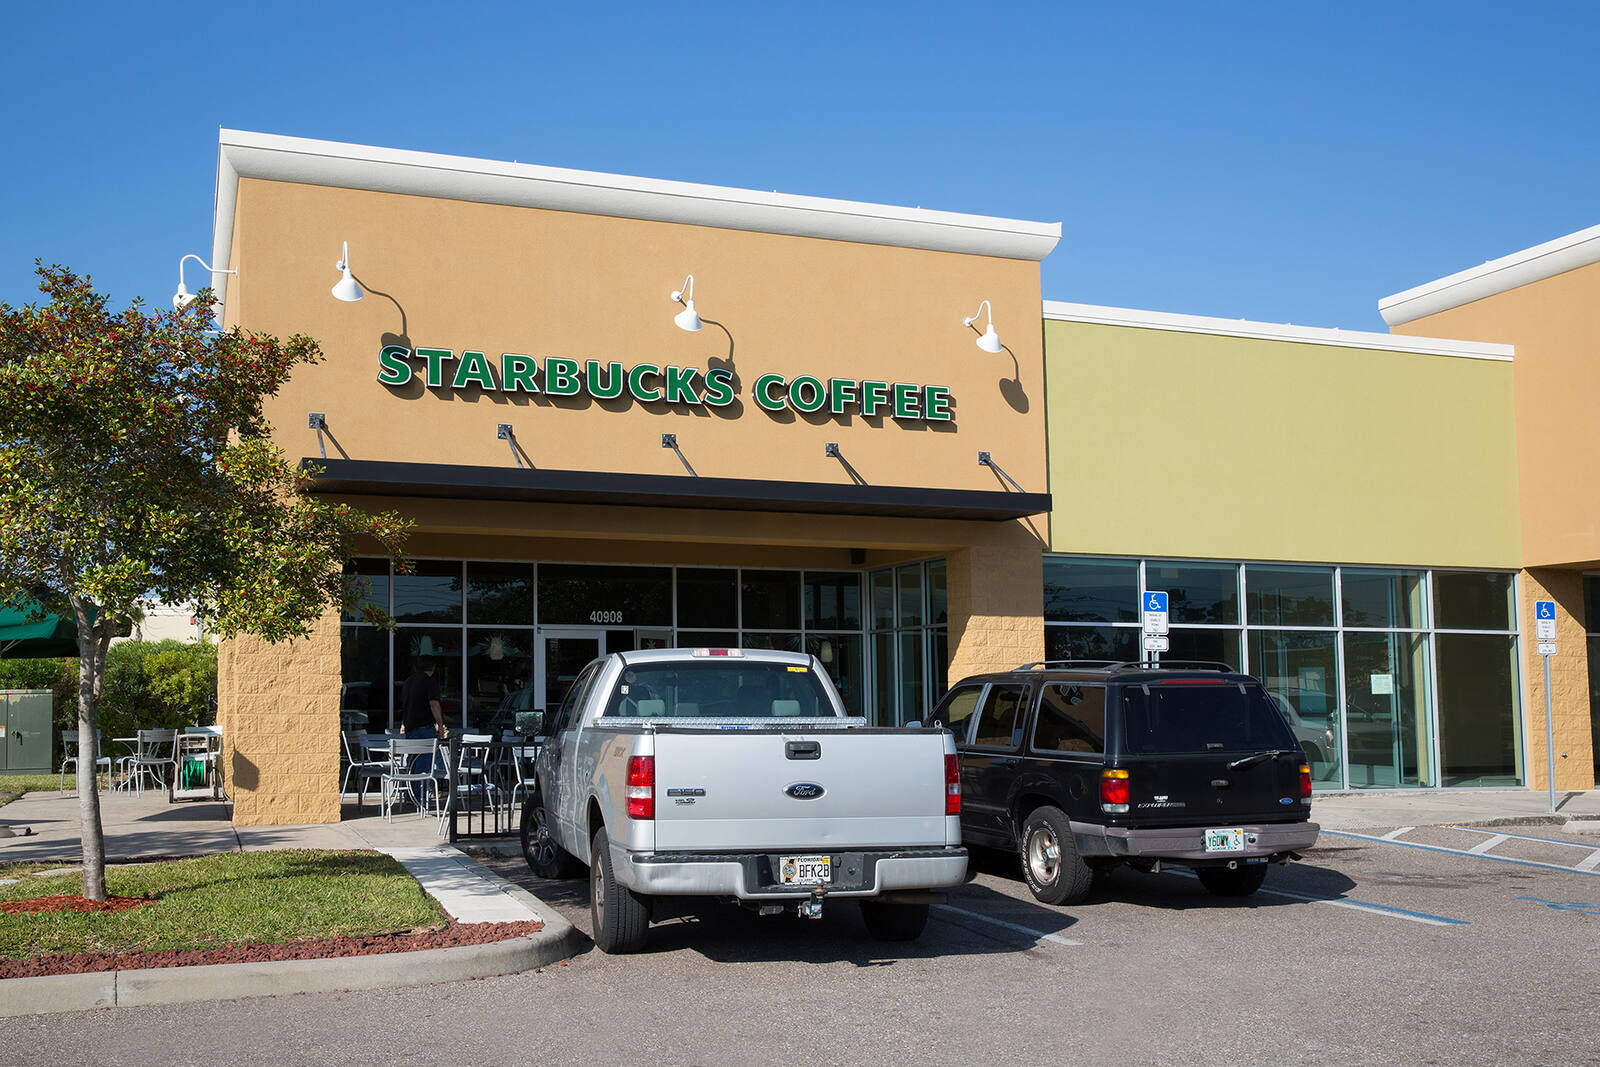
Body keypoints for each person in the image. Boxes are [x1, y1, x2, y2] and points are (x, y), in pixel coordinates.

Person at [399, 656, 447, 804]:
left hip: (410, 727)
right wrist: (440, 725)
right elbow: (434, 704)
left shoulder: (408, 682)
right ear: (432, 668)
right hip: (424, 728)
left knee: (412, 763)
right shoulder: (430, 682)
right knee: (424, 765)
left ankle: (410, 797)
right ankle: (419, 798)